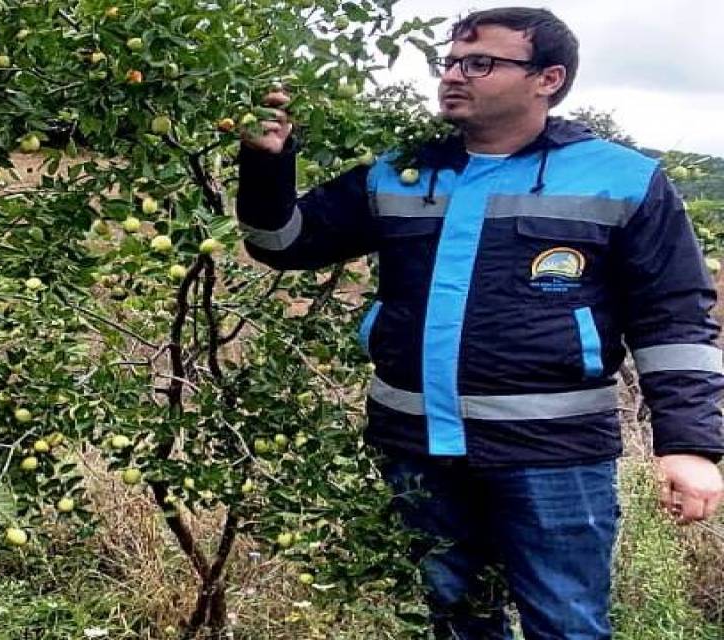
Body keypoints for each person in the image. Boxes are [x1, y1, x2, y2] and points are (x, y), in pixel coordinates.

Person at [235, 7, 723, 639]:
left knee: (567, 625)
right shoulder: (401, 170)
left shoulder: (622, 180)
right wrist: (267, 165)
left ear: (548, 78)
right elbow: (281, 242)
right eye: (451, 61)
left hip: (554, 455)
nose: (453, 76)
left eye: (480, 63)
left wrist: (688, 444)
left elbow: (675, 317)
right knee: (459, 621)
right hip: (419, 448)